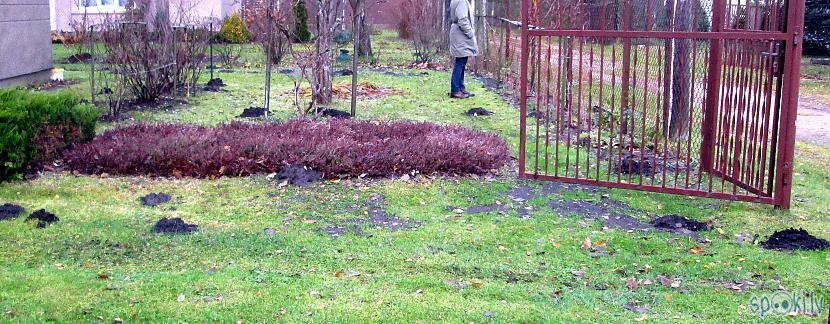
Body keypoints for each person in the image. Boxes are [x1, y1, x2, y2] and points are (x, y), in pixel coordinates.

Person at [449, 0, 479, 99]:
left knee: (461, 61)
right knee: (460, 62)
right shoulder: (461, 1)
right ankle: (456, 90)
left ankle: (460, 88)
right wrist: (470, 33)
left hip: (459, 33)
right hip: (461, 34)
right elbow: (462, 19)